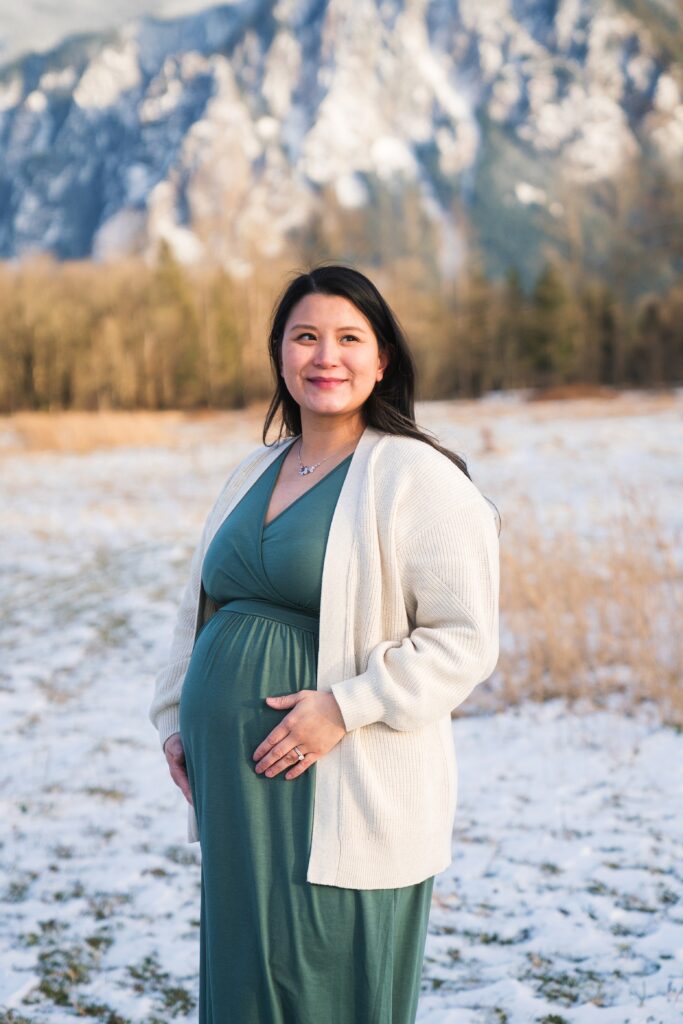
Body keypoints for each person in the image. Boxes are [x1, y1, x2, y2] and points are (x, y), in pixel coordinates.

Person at [148, 263, 500, 1023]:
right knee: (247, 980)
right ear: (279, 352)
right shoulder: (255, 469)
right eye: (305, 337)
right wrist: (177, 722)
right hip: (235, 789)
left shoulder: (417, 478)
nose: (324, 356)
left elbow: (462, 641)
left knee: (327, 979)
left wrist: (343, 707)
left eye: (348, 338)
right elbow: (200, 608)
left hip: (345, 782)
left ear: (382, 361)